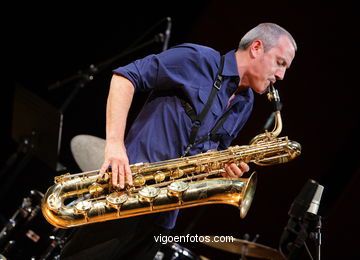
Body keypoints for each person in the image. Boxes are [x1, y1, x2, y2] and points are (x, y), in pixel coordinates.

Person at [60, 22, 297, 260]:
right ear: (257, 48)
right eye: (280, 63)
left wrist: (224, 170)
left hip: (163, 217)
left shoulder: (246, 104)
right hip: (123, 195)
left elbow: (211, 156)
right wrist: (114, 145)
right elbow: (124, 77)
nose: (281, 76)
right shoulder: (197, 59)